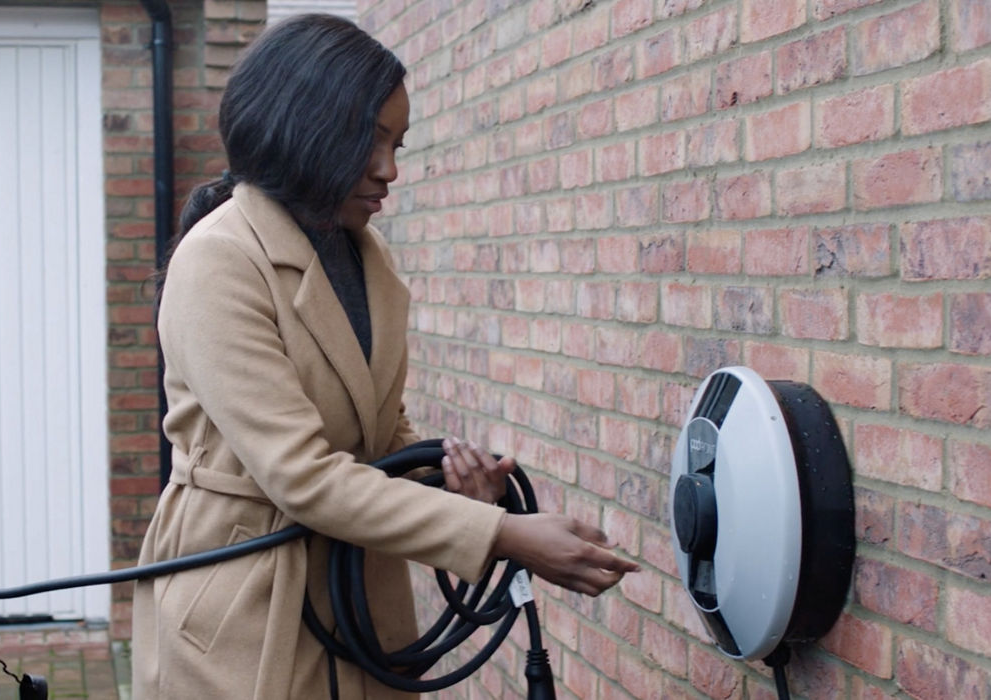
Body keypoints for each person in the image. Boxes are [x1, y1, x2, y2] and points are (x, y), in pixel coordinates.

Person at [132, 14, 638, 699]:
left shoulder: (365, 259)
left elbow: (380, 437)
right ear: (302, 125)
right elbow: (304, 477)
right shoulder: (220, 262)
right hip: (248, 604)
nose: (389, 170)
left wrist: (454, 479)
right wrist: (504, 536)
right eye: (371, 140)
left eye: (398, 143)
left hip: (362, 598)